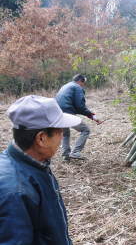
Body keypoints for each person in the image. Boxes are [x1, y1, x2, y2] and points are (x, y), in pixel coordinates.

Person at [0, 95, 82, 244]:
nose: (62, 135)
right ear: (42, 138)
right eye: (60, 131)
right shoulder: (16, 192)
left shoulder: (33, 163)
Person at [56, 74, 99, 161]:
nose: (83, 85)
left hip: (57, 112)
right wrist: (92, 116)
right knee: (85, 130)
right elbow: (80, 106)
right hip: (66, 113)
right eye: (83, 82)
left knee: (65, 134)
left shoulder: (66, 86)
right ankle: (75, 152)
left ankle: (66, 155)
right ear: (80, 81)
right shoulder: (77, 87)